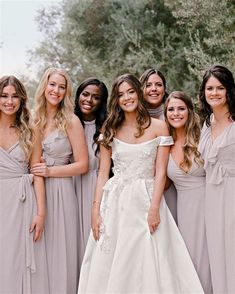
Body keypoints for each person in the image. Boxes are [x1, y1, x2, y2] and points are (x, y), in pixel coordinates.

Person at [78, 74, 204, 294]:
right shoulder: (109, 128)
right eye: (120, 94)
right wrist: (95, 210)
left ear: (138, 92)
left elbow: (160, 173)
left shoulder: (159, 127)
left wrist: (154, 208)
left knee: (149, 258)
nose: (127, 98)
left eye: (130, 92)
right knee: (115, 259)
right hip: (115, 202)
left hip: (147, 199)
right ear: (116, 100)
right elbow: (102, 174)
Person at [30, 67, 88, 294]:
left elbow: (83, 165)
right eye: (52, 84)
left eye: (61, 87)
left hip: (63, 192)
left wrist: (50, 171)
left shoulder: (71, 121)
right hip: (35, 191)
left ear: (66, 92)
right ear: (44, 86)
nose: (56, 90)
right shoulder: (31, 118)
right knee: (38, 249)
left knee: (61, 251)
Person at [0, 75, 49, 293]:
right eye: (3, 96)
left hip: (22, 202)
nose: (9, 101)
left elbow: (37, 172)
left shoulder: (31, 130)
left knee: (17, 258)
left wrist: (41, 213)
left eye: (14, 96)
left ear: (21, 100)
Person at [165, 91, 212, 294]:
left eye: (181, 108)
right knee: (189, 262)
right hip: (183, 212)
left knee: (210, 260)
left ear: (189, 111)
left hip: (210, 205)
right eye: (171, 109)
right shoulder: (164, 145)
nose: (176, 113)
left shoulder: (204, 138)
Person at [198, 64, 235, 294]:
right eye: (209, 88)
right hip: (211, 196)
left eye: (219, 88)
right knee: (217, 253)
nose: (214, 93)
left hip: (232, 193)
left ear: (229, 90)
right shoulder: (206, 123)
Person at [74, 77, 108, 273]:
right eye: (85, 94)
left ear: (102, 102)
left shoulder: (106, 126)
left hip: (96, 187)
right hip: (70, 187)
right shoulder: (69, 121)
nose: (89, 100)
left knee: (92, 239)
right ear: (78, 95)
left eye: (96, 97)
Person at [140, 68, 178, 223]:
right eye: (148, 85)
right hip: (142, 190)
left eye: (158, 84)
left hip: (170, 185)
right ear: (141, 89)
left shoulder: (174, 116)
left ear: (164, 89)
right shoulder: (135, 118)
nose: (154, 89)